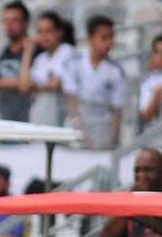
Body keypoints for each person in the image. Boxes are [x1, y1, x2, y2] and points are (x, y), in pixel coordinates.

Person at [64, 15, 127, 150]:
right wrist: (82, 132)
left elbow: (117, 110)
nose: (109, 42)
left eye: (111, 37)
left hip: (102, 129)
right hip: (77, 125)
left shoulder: (115, 70)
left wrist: (111, 140)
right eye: (104, 38)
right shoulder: (74, 63)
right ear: (90, 38)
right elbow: (71, 101)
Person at [20, 10, 77, 127]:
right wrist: (27, 53)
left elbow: (57, 83)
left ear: (59, 32)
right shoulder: (40, 59)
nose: (44, 36)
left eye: (48, 31)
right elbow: (24, 87)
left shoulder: (67, 52)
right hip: (40, 117)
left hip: (60, 117)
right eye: (40, 32)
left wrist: (35, 86)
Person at [138, 34, 162, 131]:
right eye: (157, 52)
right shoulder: (148, 81)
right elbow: (146, 116)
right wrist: (157, 94)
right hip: (155, 136)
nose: (160, 57)